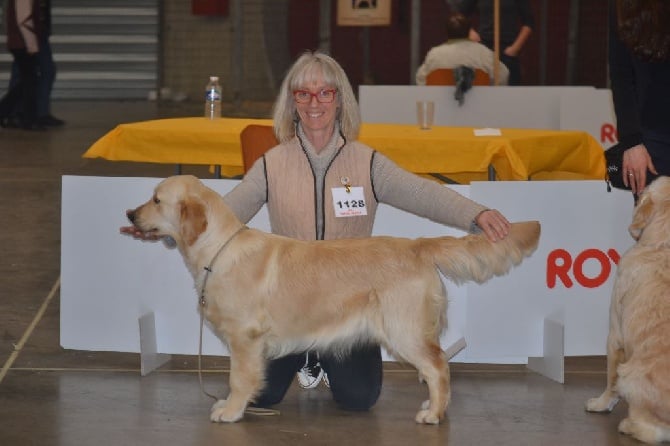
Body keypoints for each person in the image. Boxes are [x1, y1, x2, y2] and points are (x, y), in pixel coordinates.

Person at [122, 50, 511, 412]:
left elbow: (421, 193)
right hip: (286, 311)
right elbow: (227, 215)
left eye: (325, 93)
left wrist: (475, 215)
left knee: (359, 399)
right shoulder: (272, 163)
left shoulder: (367, 162)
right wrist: (163, 225)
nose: (314, 103)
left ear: (340, 100)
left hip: (348, 306)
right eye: (303, 94)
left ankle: (326, 361)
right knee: (263, 397)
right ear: (292, 103)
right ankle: (304, 359)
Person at [609, 0, 670, 196]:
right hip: (651, 140)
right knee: (655, 224)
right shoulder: (624, 6)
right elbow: (621, 76)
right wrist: (632, 142)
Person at [415, 12, 509, 86]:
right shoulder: (483, 53)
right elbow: (503, 76)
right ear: (469, 31)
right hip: (479, 108)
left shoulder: (434, 54)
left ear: (447, 32)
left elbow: (421, 80)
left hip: (441, 108)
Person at [458, 0, 534, 86]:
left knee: (510, 94)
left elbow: (529, 22)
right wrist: (470, 32)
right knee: (482, 92)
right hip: (484, 49)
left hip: (508, 51)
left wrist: (515, 48)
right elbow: (460, 14)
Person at [0, 0, 42, 130]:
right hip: (22, 44)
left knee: (27, 81)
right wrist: (32, 45)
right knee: (29, 81)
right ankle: (28, 119)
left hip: (19, 43)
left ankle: (8, 112)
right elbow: (23, 21)